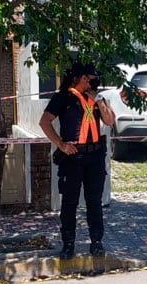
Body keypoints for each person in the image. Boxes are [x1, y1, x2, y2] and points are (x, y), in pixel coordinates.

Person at [39, 62, 115, 259]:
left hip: (95, 156)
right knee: (70, 202)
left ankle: (96, 242)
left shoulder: (98, 98)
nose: (95, 81)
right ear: (83, 78)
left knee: (94, 202)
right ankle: (68, 244)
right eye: (92, 78)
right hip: (72, 157)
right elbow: (44, 121)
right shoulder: (63, 97)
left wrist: (99, 101)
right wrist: (60, 144)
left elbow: (109, 121)